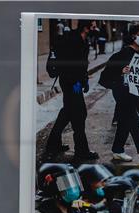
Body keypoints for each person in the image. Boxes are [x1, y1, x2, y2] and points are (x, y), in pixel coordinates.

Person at [99, 24, 139, 165]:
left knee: (124, 123)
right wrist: (121, 72)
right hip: (123, 93)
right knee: (135, 122)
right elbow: (104, 78)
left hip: (135, 94)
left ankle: (118, 150)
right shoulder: (121, 55)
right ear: (133, 36)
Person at [45, 20, 99, 164]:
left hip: (75, 81)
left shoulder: (82, 39)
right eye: (93, 26)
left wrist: (84, 79)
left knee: (67, 113)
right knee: (79, 114)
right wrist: (75, 81)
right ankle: (82, 151)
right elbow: (69, 64)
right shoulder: (73, 40)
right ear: (86, 28)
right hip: (70, 82)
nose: (95, 28)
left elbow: (82, 64)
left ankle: (53, 146)